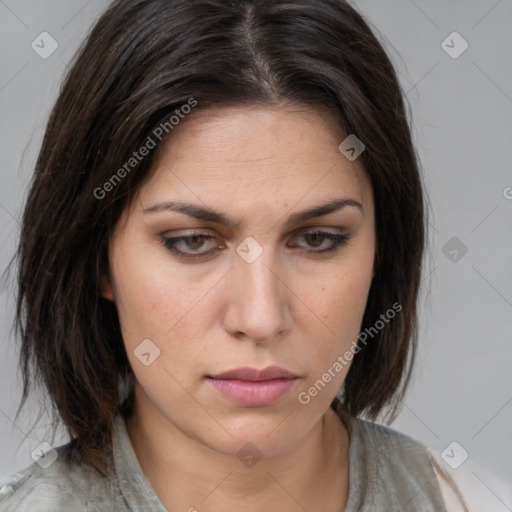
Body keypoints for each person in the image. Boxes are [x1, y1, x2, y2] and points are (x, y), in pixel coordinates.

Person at [0, 0, 468, 510]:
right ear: (96, 257)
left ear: (385, 248)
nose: (261, 318)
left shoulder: (436, 491)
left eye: (317, 239)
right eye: (192, 241)